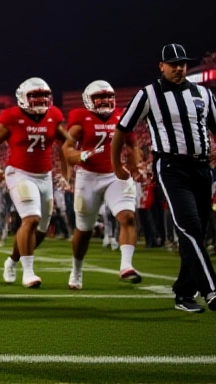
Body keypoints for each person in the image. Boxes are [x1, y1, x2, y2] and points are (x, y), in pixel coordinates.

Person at [113, 43, 216, 314]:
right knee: (189, 226)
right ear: (162, 66)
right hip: (171, 167)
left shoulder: (202, 93)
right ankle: (210, 289)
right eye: (173, 63)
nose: (180, 67)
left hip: (202, 168)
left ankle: (183, 293)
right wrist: (116, 164)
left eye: (183, 63)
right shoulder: (148, 94)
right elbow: (122, 129)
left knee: (196, 232)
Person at [0, 77, 65, 288]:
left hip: (44, 175)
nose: (40, 100)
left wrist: (65, 172)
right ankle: (29, 272)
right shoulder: (11, 116)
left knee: (41, 229)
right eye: (34, 96)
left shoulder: (54, 115)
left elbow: (64, 143)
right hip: (19, 172)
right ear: (23, 98)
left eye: (43, 96)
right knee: (31, 219)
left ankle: (12, 261)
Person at [60, 80, 141, 290]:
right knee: (84, 230)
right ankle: (77, 270)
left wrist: (136, 166)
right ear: (89, 100)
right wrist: (79, 155)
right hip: (88, 177)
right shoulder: (81, 118)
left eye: (108, 97)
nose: (105, 101)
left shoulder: (121, 117)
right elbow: (67, 149)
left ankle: (126, 266)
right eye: (99, 97)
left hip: (115, 174)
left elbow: (133, 145)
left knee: (128, 217)